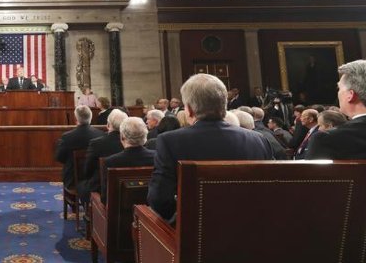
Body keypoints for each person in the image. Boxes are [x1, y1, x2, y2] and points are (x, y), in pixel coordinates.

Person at [147, 74, 273, 221]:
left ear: (189, 110)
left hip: (196, 233)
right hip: (253, 228)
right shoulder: (259, 140)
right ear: (224, 105)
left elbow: (159, 200)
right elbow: (272, 192)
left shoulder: (170, 141)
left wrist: (186, 221)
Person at [307, 60, 366, 159]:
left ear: (350, 95)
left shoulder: (326, 139)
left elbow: (312, 174)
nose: (338, 93)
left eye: (339, 88)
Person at [99, 117, 155, 201]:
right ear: (145, 136)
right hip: (150, 209)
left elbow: (105, 198)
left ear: (122, 137)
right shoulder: (158, 157)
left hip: (119, 211)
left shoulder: (110, 162)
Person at [78, 109, 127, 203]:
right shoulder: (132, 141)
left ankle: (89, 214)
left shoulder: (96, 143)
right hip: (127, 186)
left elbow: (88, 169)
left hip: (101, 187)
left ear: (108, 125)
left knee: (82, 186)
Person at [55, 105, 104, 190]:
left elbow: (59, 158)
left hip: (72, 180)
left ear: (76, 119)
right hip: (95, 180)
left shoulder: (67, 137)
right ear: (91, 118)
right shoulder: (101, 135)